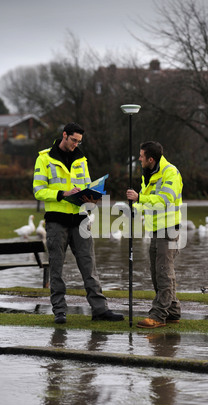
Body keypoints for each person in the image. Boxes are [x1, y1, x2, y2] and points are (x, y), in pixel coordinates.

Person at [33, 122, 124, 324]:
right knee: (56, 267)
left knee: (89, 265)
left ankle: (100, 310)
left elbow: (86, 184)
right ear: (64, 135)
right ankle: (59, 311)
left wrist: (92, 196)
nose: (76, 144)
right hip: (57, 221)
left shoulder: (81, 159)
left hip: (81, 219)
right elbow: (38, 190)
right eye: (73, 140)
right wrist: (63, 193)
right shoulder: (44, 158)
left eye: (79, 141)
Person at [127, 141, 183, 328]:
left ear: (151, 159)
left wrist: (139, 198)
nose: (139, 159)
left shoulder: (170, 173)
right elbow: (146, 200)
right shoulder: (149, 173)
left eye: (141, 156)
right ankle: (173, 311)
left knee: (163, 273)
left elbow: (165, 200)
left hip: (169, 229)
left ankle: (158, 315)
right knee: (157, 272)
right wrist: (134, 209)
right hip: (155, 229)